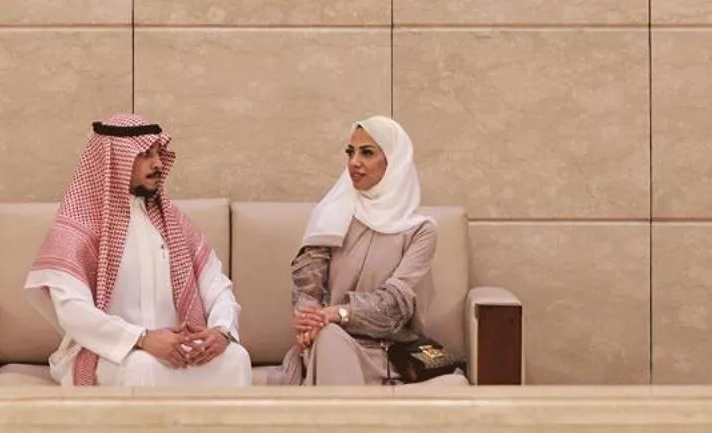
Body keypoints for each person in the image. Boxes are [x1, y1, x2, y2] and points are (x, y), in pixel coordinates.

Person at [27, 114, 251, 392]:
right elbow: (73, 310)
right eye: (145, 154)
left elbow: (217, 286)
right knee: (141, 366)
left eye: (158, 153)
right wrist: (142, 339)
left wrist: (221, 331)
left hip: (179, 351)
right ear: (114, 161)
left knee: (236, 358)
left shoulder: (174, 223)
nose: (158, 163)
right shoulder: (80, 227)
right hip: (110, 352)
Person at [282, 116, 438, 387]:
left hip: (386, 353)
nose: (354, 162)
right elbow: (308, 289)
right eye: (350, 152)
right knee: (329, 337)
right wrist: (309, 319)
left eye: (367, 153)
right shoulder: (331, 214)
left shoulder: (420, 231)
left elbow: (394, 307)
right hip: (326, 341)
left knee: (330, 334)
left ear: (393, 161)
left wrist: (338, 313)